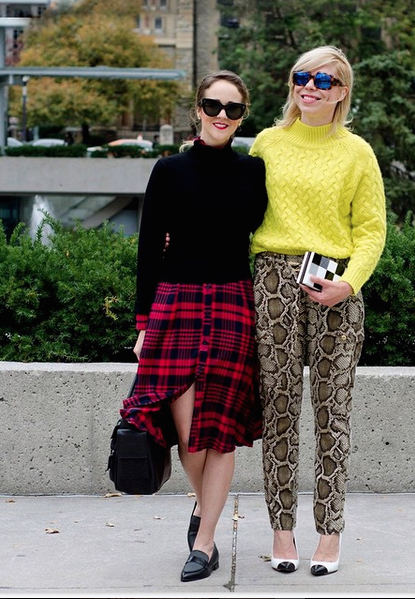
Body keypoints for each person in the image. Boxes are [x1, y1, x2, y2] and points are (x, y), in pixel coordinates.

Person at [120, 70, 268, 583]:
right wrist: (143, 324)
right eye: (213, 105)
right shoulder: (168, 170)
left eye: (233, 109)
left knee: (220, 432)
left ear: (243, 116)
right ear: (197, 109)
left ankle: (205, 542)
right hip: (176, 303)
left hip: (232, 303)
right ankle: (205, 506)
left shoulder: (254, 171)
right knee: (190, 436)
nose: (222, 116)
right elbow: (148, 250)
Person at [250, 46, 387, 576]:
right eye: (302, 76)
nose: (310, 86)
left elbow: (371, 230)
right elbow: (240, 209)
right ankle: (282, 531)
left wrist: (349, 284)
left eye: (323, 80)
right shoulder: (267, 142)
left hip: (335, 285)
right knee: (279, 408)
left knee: (334, 412)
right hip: (273, 282)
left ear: (341, 91)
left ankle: (330, 534)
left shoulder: (357, 152)